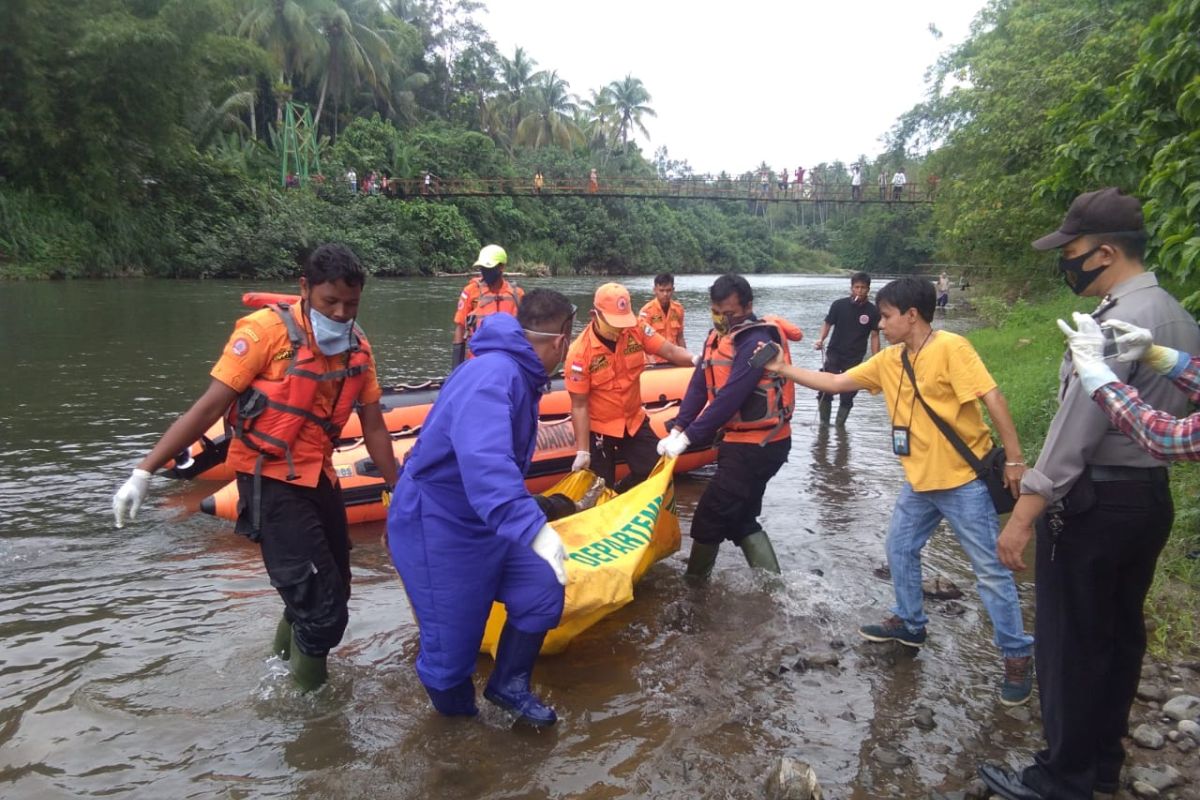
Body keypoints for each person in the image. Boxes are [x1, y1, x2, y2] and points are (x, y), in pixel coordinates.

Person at [978, 188, 1200, 800]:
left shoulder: (1107, 327)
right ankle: (1101, 763)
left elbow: (1075, 433)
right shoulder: (1175, 313)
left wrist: (1023, 516)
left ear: (1104, 252)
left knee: (1070, 641)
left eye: (1071, 251)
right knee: (1118, 635)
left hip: (1094, 504)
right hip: (1148, 499)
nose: (1066, 262)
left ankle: (1063, 776)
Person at [110, 244, 399, 691]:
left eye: (352, 304)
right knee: (323, 615)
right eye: (330, 302)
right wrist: (144, 471)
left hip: (318, 475)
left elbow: (375, 427)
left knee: (334, 591)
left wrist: (399, 487)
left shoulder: (357, 346)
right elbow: (208, 408)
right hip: (269, 480)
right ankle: (310, 711)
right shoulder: (264, 335)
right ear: (304, 289)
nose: (341, 313)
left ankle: (279, 666)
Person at [762, 276, 1034, 704]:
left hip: (963, 482)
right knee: (900, 549)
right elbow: (835, 382)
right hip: (919, 482)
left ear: (912, 315)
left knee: (990, 572)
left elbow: (992, 397)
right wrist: (781, 369)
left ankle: (1017, 655)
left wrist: (1016, 459)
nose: (880, 324)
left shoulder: (951, 348)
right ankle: (910, 623)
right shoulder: (889, 361)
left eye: (886, 317)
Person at [387, 290, 578, 726]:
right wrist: (535, 530)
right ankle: (456, 732)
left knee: (542, 586)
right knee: (451, 658)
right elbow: (486, 463)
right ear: (562, 339)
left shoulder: (519, 373)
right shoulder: (494, 374)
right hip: (438, 522)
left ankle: (508, 684)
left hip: (482, 516)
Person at [657, 273, 802, 577]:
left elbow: (731, 397)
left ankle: (694, 587)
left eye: (731, 313)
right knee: (742, 518)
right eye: (718, 313)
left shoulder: (756, 342)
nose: (724, 319)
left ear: (748, 307)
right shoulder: (717, 338)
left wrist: (689, 438)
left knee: (709, 516)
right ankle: (773, 592)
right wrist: (679, 426)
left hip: (760, 446)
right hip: (742, 443)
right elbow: (699, 385)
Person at [567, 283, 697, 492]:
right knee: (599, 488)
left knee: (657, 469)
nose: (619, 329)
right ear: (594, 315)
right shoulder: (580, 353)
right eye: (613, 323)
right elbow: (579, 405)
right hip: (599, 428)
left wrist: (697, 359)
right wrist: (583, 451)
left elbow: (670, 351)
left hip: (632, 420)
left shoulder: (636, 328)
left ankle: (621, 494)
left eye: (622, 321)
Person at [813, 272, 881, 427]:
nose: (859, 290)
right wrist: (821, 339)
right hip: (834, 352)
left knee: (848, 394)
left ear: (868, 289)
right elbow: (827, 324)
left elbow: (875, 336)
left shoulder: (873, 311)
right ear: (851, 288)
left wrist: (877, 358)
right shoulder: (839, 305)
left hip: (855, 356)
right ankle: (824, 425)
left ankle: (839, 427)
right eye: (856, 287)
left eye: (863, 287)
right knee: (825, 388)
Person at [452, 244, 525, 368]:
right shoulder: (470, 292)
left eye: (489, 267)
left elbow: (527, 331)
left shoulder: (517, 294)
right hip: (478, 361)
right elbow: (460, 328)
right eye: (482, 267)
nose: (485, 271)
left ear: (501, 267)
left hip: (510, 360)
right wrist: (455, 368)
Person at [638, 273, 687, 364]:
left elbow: (680, 337)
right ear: (655, 290)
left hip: (673, 360)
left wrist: (686, 358)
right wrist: (652, 363)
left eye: (668, 290)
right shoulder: (646, 311)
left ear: (673, 290)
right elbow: (643, 341)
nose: (665, 294)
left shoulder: (678, 309)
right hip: (654, 361)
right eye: (661, 290)